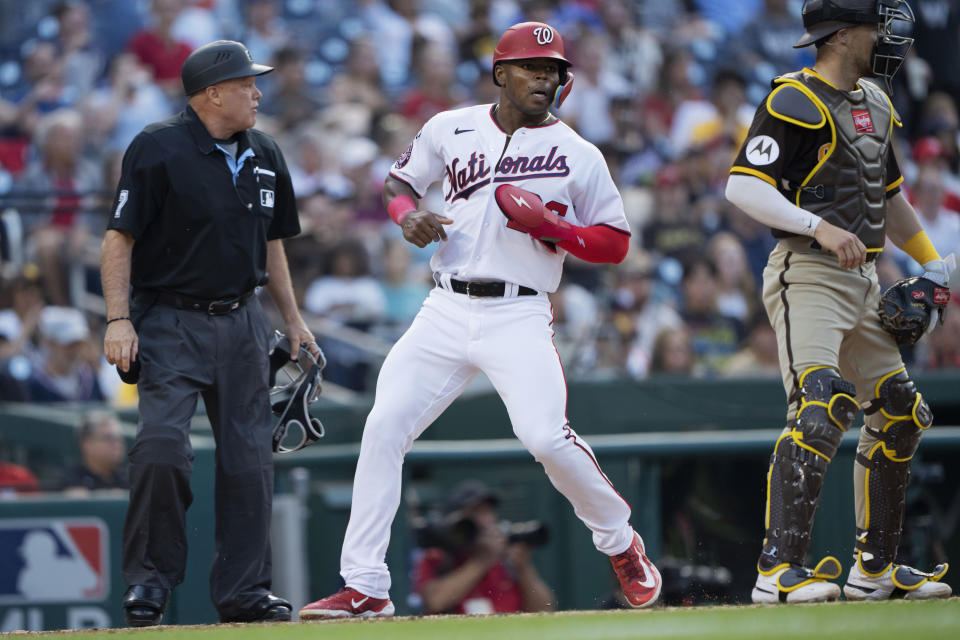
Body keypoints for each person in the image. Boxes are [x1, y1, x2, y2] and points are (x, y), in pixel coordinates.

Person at [298, 21, 662, 620]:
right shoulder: (451, 126)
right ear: (501, 73)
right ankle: (365, 585)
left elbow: (615, 243)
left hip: (520, 310)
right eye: (533, 68)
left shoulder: (578, 153)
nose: (546, 79)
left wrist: (554, 228)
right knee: (383, 426)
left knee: (545, 437)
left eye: (555, 71)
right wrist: (404, 214)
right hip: (445, 306)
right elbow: (398, 182)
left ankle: (620, 542)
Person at [725, 0, 953, 603]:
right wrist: (817, 225)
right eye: (876, 26)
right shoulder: (792, 99)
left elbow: (889, 194)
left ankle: (874, 570)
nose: (887, 36)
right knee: (821, 406)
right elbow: (743, 185)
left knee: (901, 411)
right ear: (844, 34)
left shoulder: (875, 101)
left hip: (865, 276)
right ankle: (776, 572)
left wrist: (930, 261)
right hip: (808, 271)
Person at [100, 40, 317, 626]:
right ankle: (149, 581)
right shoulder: (157, 147)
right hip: (169, 319)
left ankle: (244, 595)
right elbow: (119, 237)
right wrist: (118, 319)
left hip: (244, 320)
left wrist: (292, 320)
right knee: (162, 449)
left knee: (249, 462)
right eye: (247, 83)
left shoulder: (266, 150)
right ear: (211, 93)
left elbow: (273, 243)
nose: (257, 92)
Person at [412, 480, 555, 615]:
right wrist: (482, 561)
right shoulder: (440, 558)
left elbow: (544, 608)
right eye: (476, 512)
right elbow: (435, 602)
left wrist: (524, 568)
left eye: (488, 512)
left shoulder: (506, 561)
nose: (485, 521)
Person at [56, 411, 129, 494]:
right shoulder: (70, 478)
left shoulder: (129, 478)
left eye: (119, 439)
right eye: (108, 438)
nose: (117, 444)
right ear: (87, 444)